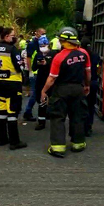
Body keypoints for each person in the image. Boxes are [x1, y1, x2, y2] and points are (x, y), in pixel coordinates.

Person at [40, 27, 90, 158]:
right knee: (78, 116)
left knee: (58, 117)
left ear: (63, 40)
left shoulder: (59, 57)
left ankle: (58, 147)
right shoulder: (84, 53)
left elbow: (52, 78)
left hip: (61, 90)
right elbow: (88, 72)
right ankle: (78, 143)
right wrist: (87, 85)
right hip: (78, 89)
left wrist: (44, 91)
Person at [0, 26, 27, 150]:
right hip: (12, 84)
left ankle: (2, 139)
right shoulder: (12, 49)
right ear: (6, 37)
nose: (15, 37)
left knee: (2, 111)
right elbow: (19, 67)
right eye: (13, 35)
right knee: (12, 112)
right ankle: (14, 141)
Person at [32, 36, 58, 131]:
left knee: (54, 100)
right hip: (40, 80)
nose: (43, 46)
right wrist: (38, 64)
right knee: (41, 101)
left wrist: (46, 63)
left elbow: (56, 66)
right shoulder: (38, 54)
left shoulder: (54, 54)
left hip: (52, 80)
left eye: (44, 44)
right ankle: (41, 122)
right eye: (41, 45)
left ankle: (55, 119)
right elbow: (34, 67)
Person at [23, 28, 47, 121]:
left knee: (39, 92)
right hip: (34, 72)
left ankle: (37, 112)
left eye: (45, 34)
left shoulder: (42, 44)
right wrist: (30, 71)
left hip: (40, 72)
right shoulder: (32, 44)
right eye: (42, 33)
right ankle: (27, 112)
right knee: (35, 93)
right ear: (36, 33)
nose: (43, 35)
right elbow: (28, 58)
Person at [81, 37, 102, 137]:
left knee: (80, 106)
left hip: (82, 83)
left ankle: (80, 126)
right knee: (91, 106)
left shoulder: (80, 55)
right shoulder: (95, 55)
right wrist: (96, 77)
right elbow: (99, 67)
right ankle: (88, 127)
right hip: (93, 82)